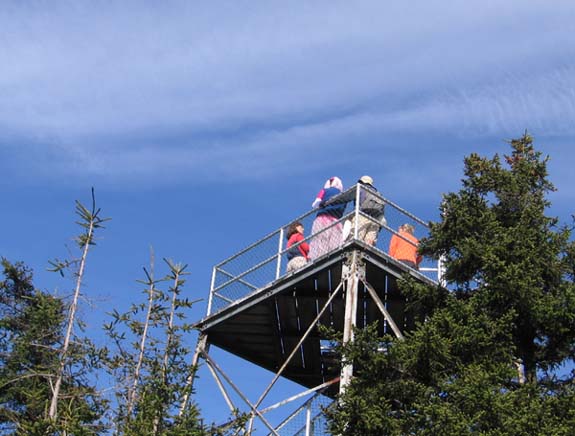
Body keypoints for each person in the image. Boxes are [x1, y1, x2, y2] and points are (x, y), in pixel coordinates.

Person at [308, 176, 345, 260]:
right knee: (335, 242)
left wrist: (323, 203)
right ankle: (335, 258)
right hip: (336, 221)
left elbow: (315, 204)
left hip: (322, 218)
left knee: (320, 239)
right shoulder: (343, 195)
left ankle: (320, 259)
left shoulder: (324, 190)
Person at [348, 175, 386, 246]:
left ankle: (356, 253)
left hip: (362, 216)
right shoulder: (378, 194)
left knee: (356, 239)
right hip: (376, 220)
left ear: (362, 182)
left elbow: (346, 197)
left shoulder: (360, 189)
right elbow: (382, 211)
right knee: (369, 243)